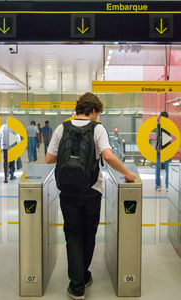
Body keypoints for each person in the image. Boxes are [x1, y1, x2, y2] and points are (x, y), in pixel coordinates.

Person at [45, 92, 135, 300]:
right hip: (92, 190)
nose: (97, 117)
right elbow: (108, 156)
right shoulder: (98, 128)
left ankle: (77, 285)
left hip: (67, 191)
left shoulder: (62, 127)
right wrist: (127, 174)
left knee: (73, 236)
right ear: (93, 110)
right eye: (97, 113)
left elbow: (50, 158)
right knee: (89, 234)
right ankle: (82, 278)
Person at [155, 111, 171, 192]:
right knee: (168, 169)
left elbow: (158, 135)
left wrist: (158, 120)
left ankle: (158, 186)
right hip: (167, 149)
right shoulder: (169, 126)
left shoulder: (159, 127)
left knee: (158, 168)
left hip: (159, 150)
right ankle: (168, 186)